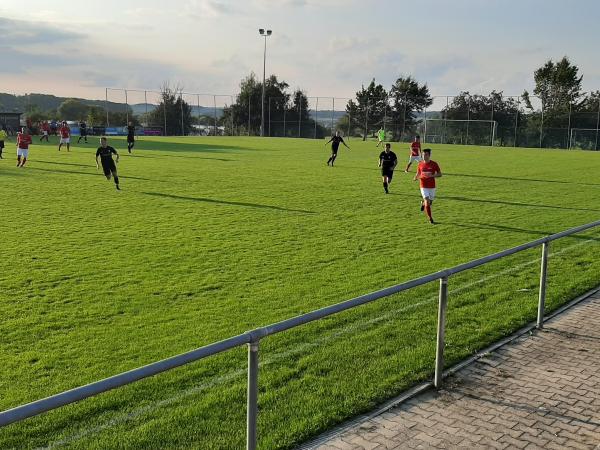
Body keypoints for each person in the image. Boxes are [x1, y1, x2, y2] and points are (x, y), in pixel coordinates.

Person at [413, 148, 442, 224]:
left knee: (430, 202)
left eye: (426, 155)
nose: (424, 156)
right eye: (423, 155)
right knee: (427, 200)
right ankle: (430, 218)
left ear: (429, 155)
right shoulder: (420, 164)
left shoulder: (434, 164)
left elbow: (440, 174)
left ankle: (423, 204)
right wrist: (416, 177)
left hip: (432, 186)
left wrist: (433, 175)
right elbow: (418, 173)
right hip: (423, 185)